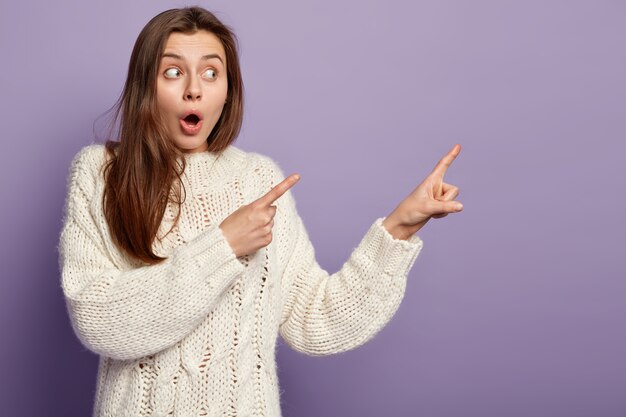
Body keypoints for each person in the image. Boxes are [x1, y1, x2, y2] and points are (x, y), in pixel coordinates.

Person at [58, 6, 463, 417]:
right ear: (146, 84)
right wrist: (223, 247)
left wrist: (398, 229)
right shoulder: (101, 173)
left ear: (229, 91)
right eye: (173, 72)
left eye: (212, 73)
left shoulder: (257, 179)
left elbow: (315, 318)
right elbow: (98, 318)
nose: (194, 89)